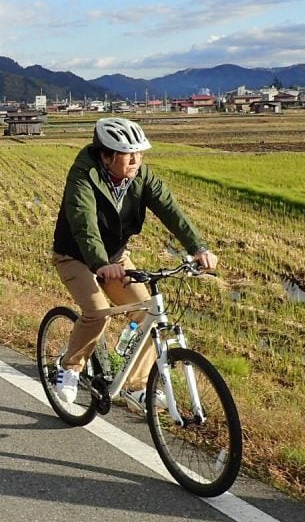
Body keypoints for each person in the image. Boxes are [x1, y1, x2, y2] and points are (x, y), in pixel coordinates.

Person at [51, 117, 218, 414]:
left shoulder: (141, 176)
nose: (137, 160)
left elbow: (170, 209)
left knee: (148, 313)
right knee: (98, 312)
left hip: (115, 258)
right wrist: (100, 264)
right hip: (76, 256)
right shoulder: (83, 176)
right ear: (107, 155)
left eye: (140, 154)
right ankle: (69, 366)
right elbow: (84, 223)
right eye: (130, 156)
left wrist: (198, 247)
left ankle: (136, 387)